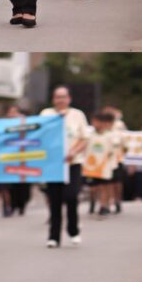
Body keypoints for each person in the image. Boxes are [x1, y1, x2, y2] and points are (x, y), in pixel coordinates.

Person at [40, 86, 89, 248]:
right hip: (53, 164)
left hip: (72, 163)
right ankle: (53, 236)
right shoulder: (46, 114)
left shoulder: (77, 115)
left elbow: (84, 138)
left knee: (71, 195)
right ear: (53, 99)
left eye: (63, 97)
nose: (60, 100)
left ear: (69, 99)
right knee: (54, 199)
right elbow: (39, 135)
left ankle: (73, 230)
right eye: (57, 97)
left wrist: (73, 152)